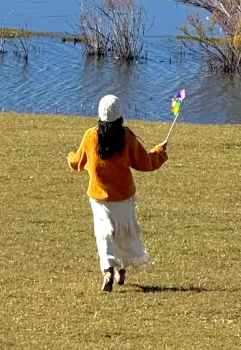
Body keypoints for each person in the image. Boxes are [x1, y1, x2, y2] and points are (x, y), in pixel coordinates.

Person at [67, 94, 167, 292]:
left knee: (104, 233)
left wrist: (69, 156)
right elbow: (145, 162)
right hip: (124, 197)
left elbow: (78, 162)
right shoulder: (126, 137)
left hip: (98, 197)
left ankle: (108, 270)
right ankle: (122, 270)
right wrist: (159, 152)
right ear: (120, 114)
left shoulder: (90, 136)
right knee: (124, 232)